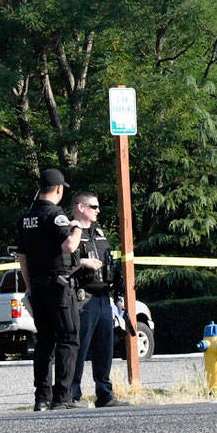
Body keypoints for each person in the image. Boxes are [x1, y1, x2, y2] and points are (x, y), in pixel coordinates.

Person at [18, 168, 83, 411]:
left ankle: (41, 399)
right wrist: (77, 227)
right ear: (58, 189)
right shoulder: (57, 215)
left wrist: (29, 286)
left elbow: (22, 257)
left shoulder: (27, 217)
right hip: (59, 286)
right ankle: (62, 397)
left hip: (37, 286)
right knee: (68, 338)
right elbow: (69, 246)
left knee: (44, 341)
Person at [70, 191, 128, 408]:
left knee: (105, 348)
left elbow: (111, 263)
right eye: (94, 206)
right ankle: (72, 395)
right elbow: (64, 260)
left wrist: (118, 295)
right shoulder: (70, 230)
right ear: (81, 207)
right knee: (79, 348)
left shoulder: (99, 232)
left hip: (104, 297)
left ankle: (105, 394)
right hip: (82, 297)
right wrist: (83, 262)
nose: (98, 210)